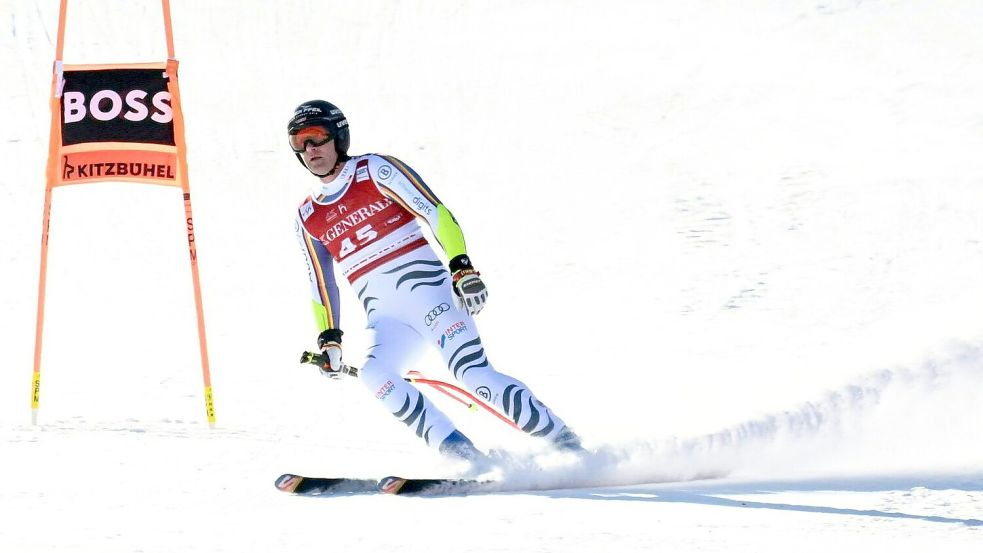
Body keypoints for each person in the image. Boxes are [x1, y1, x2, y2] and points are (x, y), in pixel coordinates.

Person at [288, 100, 582, 465]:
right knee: (375, 374)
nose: (310, 150)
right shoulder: (307, 215)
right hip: (389, 322)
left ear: (339, 136)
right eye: (299, 143)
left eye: (316, 137)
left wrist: (462, 267)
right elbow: (320, 282)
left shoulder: (373, 170)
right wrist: (329, 337)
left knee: (473, 376)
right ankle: (466, 459)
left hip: (432, 298)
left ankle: (568, 444)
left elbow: (434, 211)